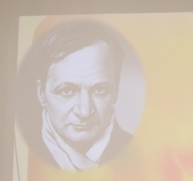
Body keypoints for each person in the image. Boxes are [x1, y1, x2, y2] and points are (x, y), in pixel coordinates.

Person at [33, 21, 133, 171]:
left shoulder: (144, 155)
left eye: (100, 90)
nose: (84, 112)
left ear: (116, 91)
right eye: (66, 91)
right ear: (41, 93)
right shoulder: (20, 152)